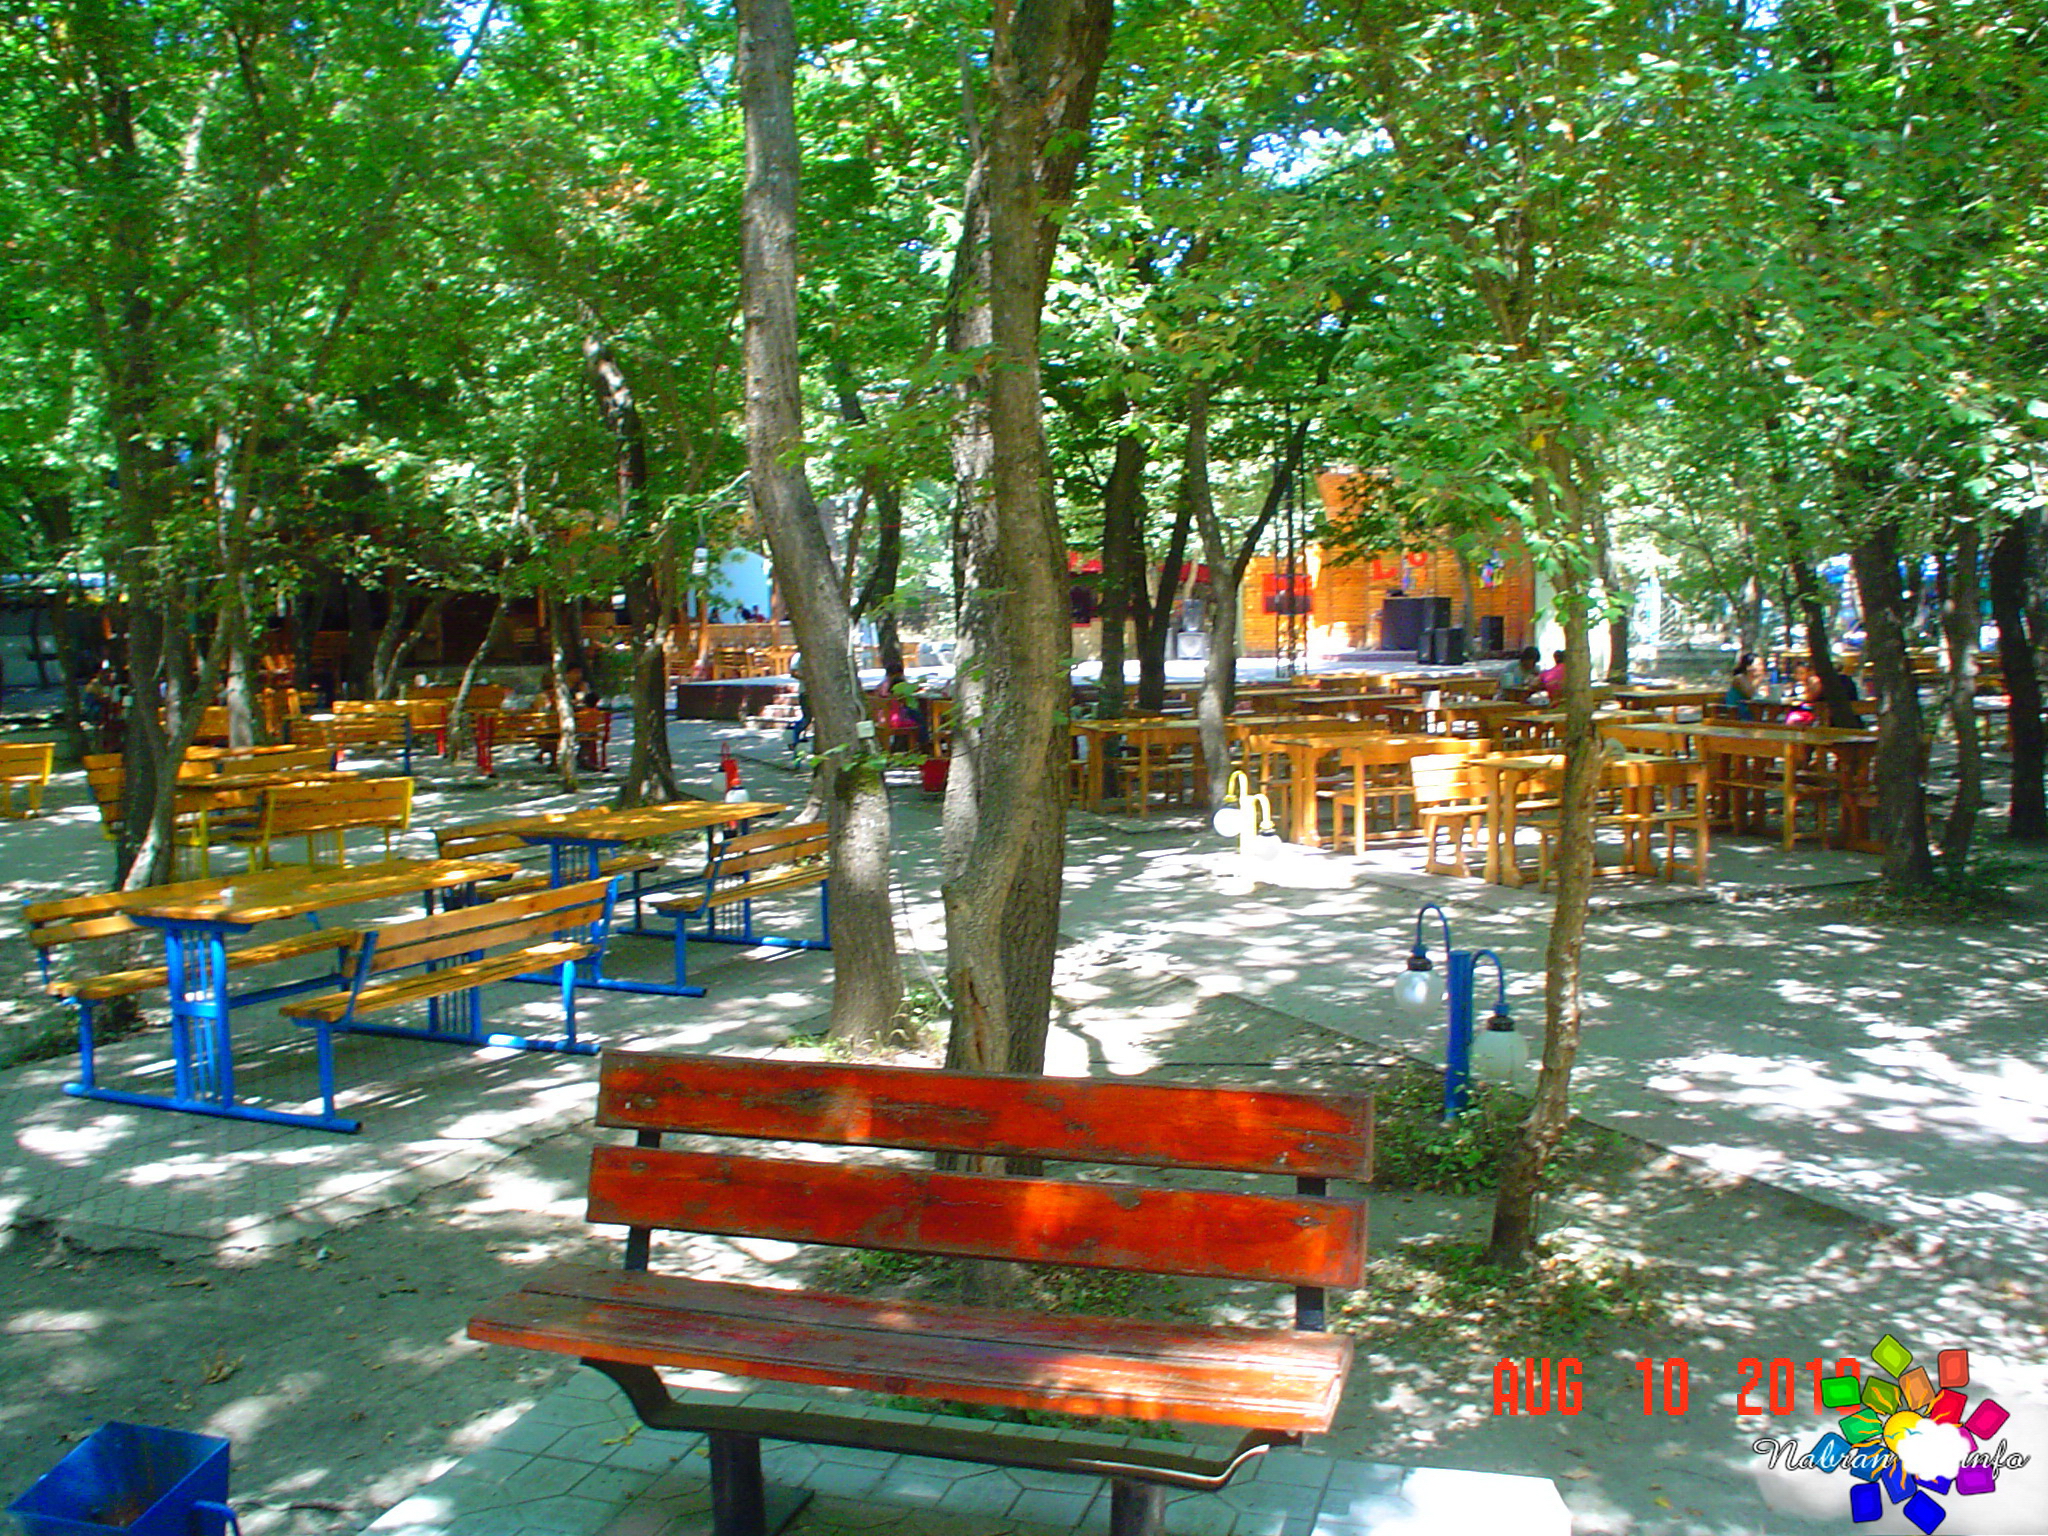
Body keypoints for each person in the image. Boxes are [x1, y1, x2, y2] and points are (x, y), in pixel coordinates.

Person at [1723, 653, 1765, 721]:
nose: (1762, 667)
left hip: (1750, 709)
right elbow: (1750, 694)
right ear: (1749, 667)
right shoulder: (1739, 678)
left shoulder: (1752, 679)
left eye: (1762, 664)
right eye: (1759, 665)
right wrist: (1758, 679)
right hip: (1737, 711)